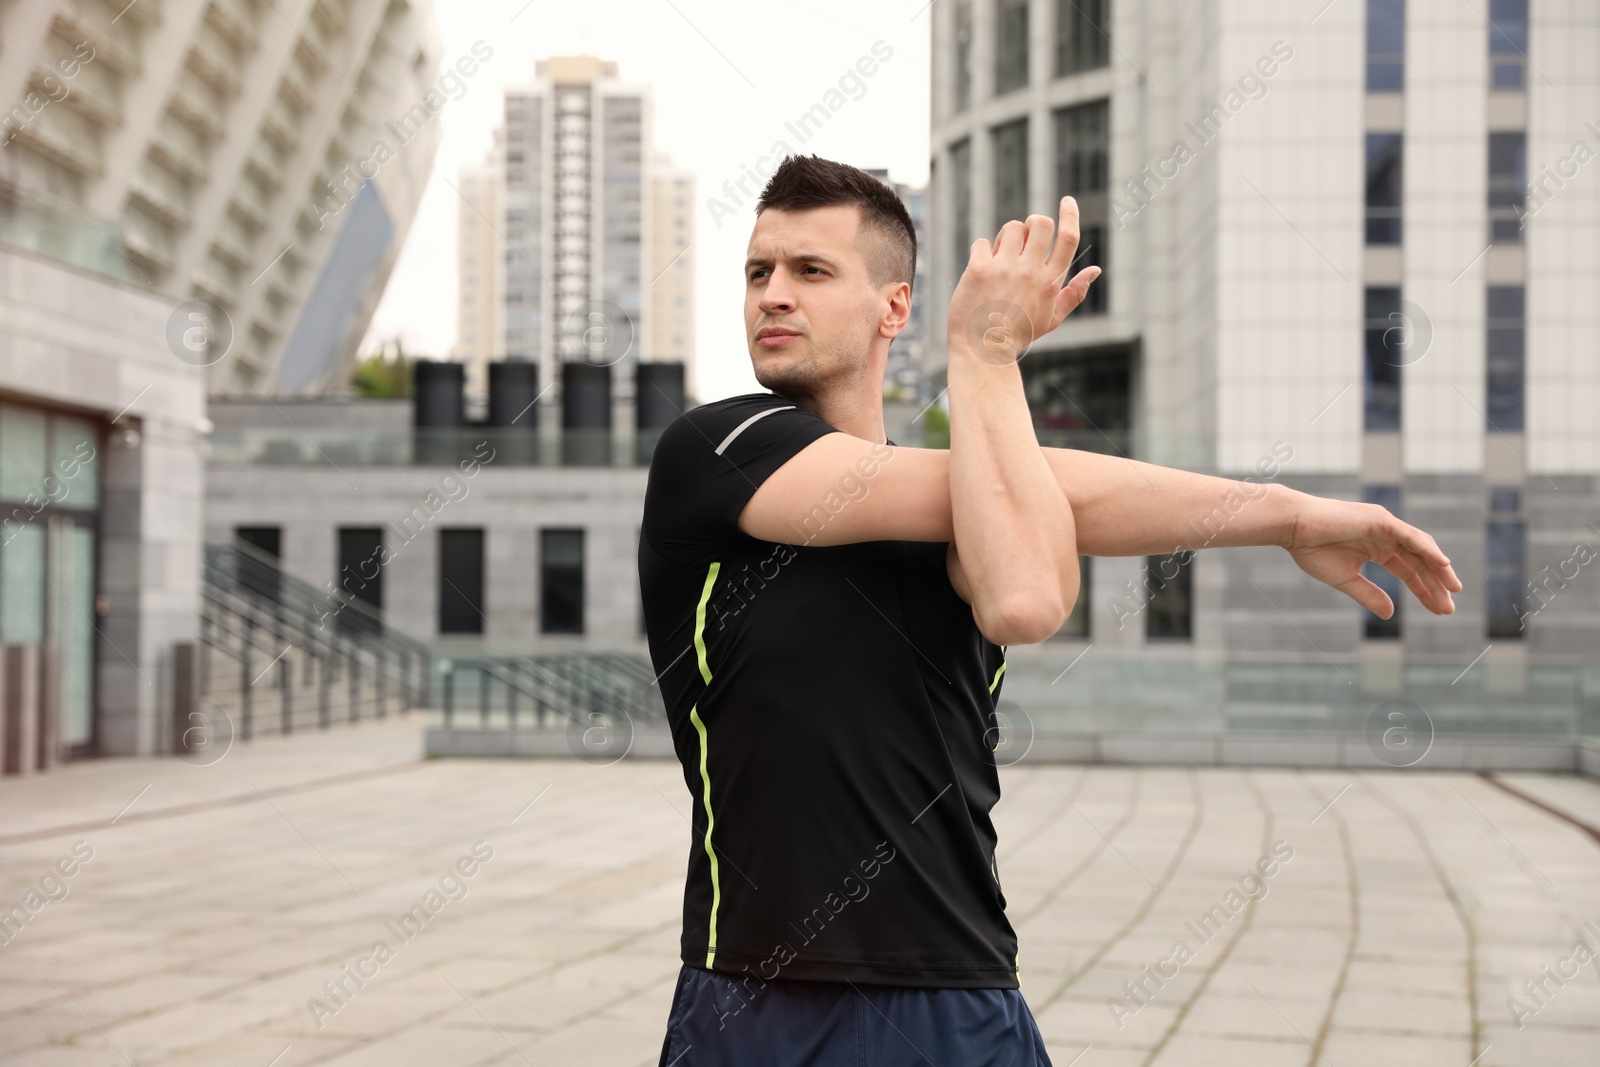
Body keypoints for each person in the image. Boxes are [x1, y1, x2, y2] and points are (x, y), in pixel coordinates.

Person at [638, 155, 1461, 1066]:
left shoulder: (986, 500)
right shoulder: (714, 447)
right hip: (757, 1001)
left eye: (810, 271)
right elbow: (1035, 535)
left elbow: (1023, 579)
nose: (773, 295)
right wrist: (985, 352)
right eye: (759, 272)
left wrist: (1292, 513)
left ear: (894, 307)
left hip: (964, 994)